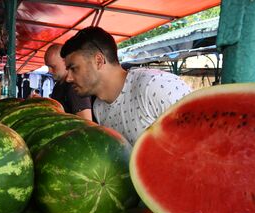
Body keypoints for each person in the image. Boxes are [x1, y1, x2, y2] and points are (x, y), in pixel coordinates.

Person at [60, 26, 191, 144]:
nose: (69, 78)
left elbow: (202, 137)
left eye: (74, 68)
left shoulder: (154, 85)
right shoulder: (99, 107)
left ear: (98, 61)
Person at [45, 44, 93, 121]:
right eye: (48, 67)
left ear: (65, 61)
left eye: (53, 66)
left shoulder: (74, 86)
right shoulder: (58, 85)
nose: (49, 71)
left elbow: (87, 122)